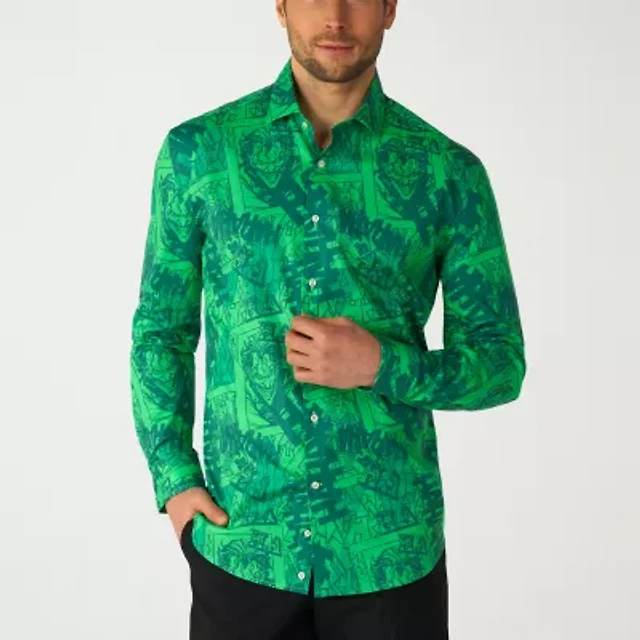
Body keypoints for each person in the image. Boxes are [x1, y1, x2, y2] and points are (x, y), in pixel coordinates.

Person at [129, 0, 527, 638]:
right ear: (281, 5)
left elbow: (501, 363)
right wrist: (174, 479)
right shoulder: (199, 154)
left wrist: (381, 364)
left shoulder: (448, 173)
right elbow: (160, 331)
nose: (336, 16)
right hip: (244, 544)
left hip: (389, 556)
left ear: (390, 8)